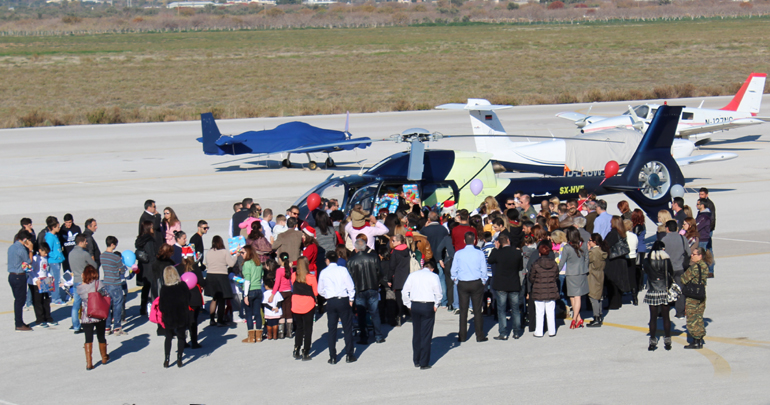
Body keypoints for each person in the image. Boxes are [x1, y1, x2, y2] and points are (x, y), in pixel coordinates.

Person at [402, 259, 443, 370]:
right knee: (426, 334)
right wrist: (437, 304)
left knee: (417, 333)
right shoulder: (434, 276)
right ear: (432, 269)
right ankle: (424, 362)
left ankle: (416, 359)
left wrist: (408, 304)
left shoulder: (413, 275)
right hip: (427, 305)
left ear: (423, 266)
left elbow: (405, 291)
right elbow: (438, 293)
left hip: (415, 304)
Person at [318, 251, 357, 364]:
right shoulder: (342, 270)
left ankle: (333, 356)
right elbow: (350, 286)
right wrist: (351, 299)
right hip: (343, 299)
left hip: (331, 301)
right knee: (347, 328)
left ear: (327, 260)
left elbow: (320, 290)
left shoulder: (324, 272)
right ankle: (349, 354)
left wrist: (328, 296)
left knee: (332, 329)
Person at [347, 236, 386, 345]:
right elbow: (380, 273)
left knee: (361, 313)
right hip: (372, 287)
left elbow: (348, 277)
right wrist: (376, 282)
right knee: (375, 312)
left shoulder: (351, 261)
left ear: (355, 249)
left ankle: (363, 336)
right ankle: (378, 336)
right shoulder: (373, 258)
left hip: (359, 289)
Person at [451, 232, 488, 343]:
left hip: (463, 283)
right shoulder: (479, 253)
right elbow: (484, 269)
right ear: (475, 241)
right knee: (477, 310)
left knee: (463, 310)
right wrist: (483, 280)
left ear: (464, 241)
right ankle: (480, 335)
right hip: (476, 282)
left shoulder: (458, 253)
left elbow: (453, 270)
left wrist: (456, 280)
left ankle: (462, 336)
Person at [487, 233, 523, 340]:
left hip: (501, 284)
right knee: (515, 309)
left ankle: (503, 333)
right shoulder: (517, 253)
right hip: (513, 282)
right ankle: (516, 332)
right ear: (508, 240)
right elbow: (520, 267)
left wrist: (495, 249)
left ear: (499, 242)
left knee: (501, 309)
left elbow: (490, 260)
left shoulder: (498, 253)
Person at [77, 265, 110, 370]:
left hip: (86, 316)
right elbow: (106, 294)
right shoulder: (98, 283)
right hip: (99, 314)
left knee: (88, 338)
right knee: (101, 336)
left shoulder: (80, 287)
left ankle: (89, 363)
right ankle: (104, 357)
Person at [643, 241, 675, 351]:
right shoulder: (666, 260)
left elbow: (646, 271)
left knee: (653, 317)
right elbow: (671, 271)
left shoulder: (647, 260)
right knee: (666, 317)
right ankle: (667, 339)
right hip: (664, 289)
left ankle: (652, 340)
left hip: (652, 290)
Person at [420, 211, 455, 310]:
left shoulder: (425, 230)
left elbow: (419, 237)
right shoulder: (443, 229)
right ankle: (443, 301)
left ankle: (430, 298)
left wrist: (423, 227)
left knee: (428, 278)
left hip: (428, 257)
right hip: (441, 257)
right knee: (441, 278)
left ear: (429, 219)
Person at [159, 266, 191, 368]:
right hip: (181, 314)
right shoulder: (182, 286)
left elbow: (161, 305)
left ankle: (167, 359)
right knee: (181, 337)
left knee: (168, 337)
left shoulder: (164, 289)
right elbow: (188, 298)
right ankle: (179, 358)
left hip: (169, 315)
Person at [203, 236, 236, 326]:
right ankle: (220, 321)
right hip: (221, 276)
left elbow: (207, 263)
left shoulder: (209, 252)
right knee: (222, 300)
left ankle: (212, 319)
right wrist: (236, 256)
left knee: (214, 299)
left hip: (210, 276)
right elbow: (231, 264)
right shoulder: (224, 252)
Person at [661, 220, 691, 319]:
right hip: (680, 267)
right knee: (680, 290)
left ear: (667, 228)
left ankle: (663, 311)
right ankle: (680, 312)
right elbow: (688, 252)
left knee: (665, 290)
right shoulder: (683, 239)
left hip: (667, 269)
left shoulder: (664, 240)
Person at [682, 247, 710, 349]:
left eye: (694, 254)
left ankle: (695, 340)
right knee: (699, 317)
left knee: (691, 318)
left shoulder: (694, 268)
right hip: (701, 294)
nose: (692, 256)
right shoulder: (705, 266)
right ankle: (700, 339)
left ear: (700, 256)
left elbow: (684, 279)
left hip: (693, 296)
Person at [530, 242, 559, 337]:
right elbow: (556, 276)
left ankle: (539, 332)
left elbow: (531, 277)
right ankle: (552, 331)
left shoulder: (536, 264)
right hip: (551, 288)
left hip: (539, 289)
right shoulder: (554, 263)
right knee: (550, 311)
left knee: (539, 312)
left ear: (539, 253)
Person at [562, 227, 589, 329]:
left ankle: (574, 318)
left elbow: (562, 262)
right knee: (575, 296)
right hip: (581, 272)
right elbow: (587, 258)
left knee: (574, 296)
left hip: (571, 273)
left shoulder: (567, 247)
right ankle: (578, 319)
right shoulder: (584, 244)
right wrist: (585, 268)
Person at [291, 257, 317, 361]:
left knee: (299, 328)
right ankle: (306, 351)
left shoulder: (294, 276)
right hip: (308, 305)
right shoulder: (311, 277)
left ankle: (296, 348)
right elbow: (315, 292)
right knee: (308, 329)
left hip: (296, 304)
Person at [70, 235, 97, 334]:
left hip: (75, 280)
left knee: (76, 304)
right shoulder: (84, 254)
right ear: (81, 242)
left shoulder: (71, 253)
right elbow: (94, 265)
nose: (87, 243)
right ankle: (90, 322)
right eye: (85, 241)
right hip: (84, 281)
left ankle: (76, 326)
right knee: (89, 303)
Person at [100, 236, 126, 335]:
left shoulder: (102, 256)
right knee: (117, 305)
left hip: (106, 283)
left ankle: (107, 327)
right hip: (115, 283)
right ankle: (117, 327)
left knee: (107, 306)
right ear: (112, 245)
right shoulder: (116, 257)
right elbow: (122, 270)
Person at [604, 216, 630, 310]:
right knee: (618, 282)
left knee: (612, 282)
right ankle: (618, 302)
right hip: (620, 259)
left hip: (613, 260)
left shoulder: (613, 233)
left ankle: (613, 303)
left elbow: (606, 245)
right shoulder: (621, 232)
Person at [9, 231, 34, 331]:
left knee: (18, 300)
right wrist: (30, 250)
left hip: (12, 276)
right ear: (25, 240)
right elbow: (28, 262)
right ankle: (18, 323)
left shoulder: (12, 247)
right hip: (20, 276)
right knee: (20, 301)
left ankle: (19, 321)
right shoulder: (21, 249)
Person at [240, 245, 264, 343]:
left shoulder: (247, 264)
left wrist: (245, 295)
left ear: (248, 253)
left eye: (243, 252)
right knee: (257, 313)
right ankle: (259, 336)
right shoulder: (259, 264)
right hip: (258, 289)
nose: (241, 255)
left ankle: (251, 337)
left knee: (249, 314)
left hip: (250, 290)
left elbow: (247, 280)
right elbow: (261, 278)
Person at [28, 242, 55, 328]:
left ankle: (48, 317)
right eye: (45, 252)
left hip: (45, 281)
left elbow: (45, 270)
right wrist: (36, 280)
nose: (46, 254)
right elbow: (30, 271)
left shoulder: (45, 258)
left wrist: (50, 276)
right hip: (36, 283)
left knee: (46, 300)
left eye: (47, 253)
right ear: (40, 250)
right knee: (38, 301)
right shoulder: (35, 258)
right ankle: (40, 320)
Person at [180, 256, 205, 349]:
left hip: (182, 297)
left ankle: (183, 341)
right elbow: (201, 281)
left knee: (184, 320)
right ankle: (194, 341)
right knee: (193, 320)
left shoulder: (179, 267)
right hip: (194, 297)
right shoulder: (195, 267)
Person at [388, 234, 412, 327]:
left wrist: (389, 279)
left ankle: (399, 316)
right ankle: (411, 314)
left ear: (399, 241)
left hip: (398, 277)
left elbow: (392, 267)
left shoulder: (395, 252)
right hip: (408, 276)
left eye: (394, 240)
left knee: (399, 299)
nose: (392, 242)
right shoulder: (408, 250)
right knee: (409, 296)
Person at [135, 221, 158, 316]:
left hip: (143, 267)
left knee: (145, 288)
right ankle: (153, 307)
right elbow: (151, 255)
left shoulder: (140, 239)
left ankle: (143, 307)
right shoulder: (149, 240)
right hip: (150, 267)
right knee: (153, 288)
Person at [586, 234, 608, 327]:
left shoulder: (593, 252)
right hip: (600, 274)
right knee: (598, 296)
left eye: (590, 240)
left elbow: (586, 260)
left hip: (593, 275)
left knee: (593, 297)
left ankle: (596, 317)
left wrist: (587, 250)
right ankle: (599, 315)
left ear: (594, 242)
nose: (588, 242)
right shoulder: (601, 251)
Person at [44, 217, 65, 305]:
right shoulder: (50, 237)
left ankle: (51, 296)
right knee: (54, 280)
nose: (59, 228)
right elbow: (48, 250)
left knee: (51, 280)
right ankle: (56, 298)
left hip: (56, 260)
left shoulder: (54, 236)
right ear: (53, 227)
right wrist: (57, 256)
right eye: (57, 227)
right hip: (53, 261)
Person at [273, 252, 294, 339]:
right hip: (289, 291)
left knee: (281, 312)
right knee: (289, 311)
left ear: (280, 259)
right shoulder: (290, 269)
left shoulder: (278, 270)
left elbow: (277, 283)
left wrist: (272, 294)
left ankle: (281, 333)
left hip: (281, 292)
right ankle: (289, 332)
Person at [698, 188, 716, 278]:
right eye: (700, 194)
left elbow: (712, 219)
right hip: (706, 231)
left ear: (707, 195)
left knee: (706, 251)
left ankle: (709, 270)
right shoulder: (702, 204)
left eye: (702, 194)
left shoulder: (709, 205)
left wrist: (708, 230)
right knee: (707, 250)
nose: (700, 196)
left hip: (707, 231)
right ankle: (709, 270)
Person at [695, 198, 713, 278]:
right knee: (703, 255)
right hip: (702, 237)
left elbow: (697, 226)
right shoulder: (701, 214)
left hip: (702, 238)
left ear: (702, 205)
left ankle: (705, 271)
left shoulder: (704, 216)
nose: (696, 205)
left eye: (698, 204)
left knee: (702, 256)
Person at [262, 274, 284, 340]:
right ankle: (275, 335)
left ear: (266, 286)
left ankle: (270, 335)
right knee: (275, 323)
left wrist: (271, 308)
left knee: (269, 324)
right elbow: (280, 301)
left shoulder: (265, 294)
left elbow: (264, 303)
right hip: (276, 312)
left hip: (269, 312)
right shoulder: (277, 293)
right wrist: (277, 307)